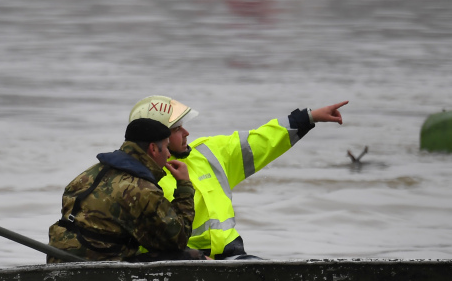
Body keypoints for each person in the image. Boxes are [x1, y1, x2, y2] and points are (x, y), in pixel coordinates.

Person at [128, 95, 348, 259]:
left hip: (230, 258)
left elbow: (262, 141)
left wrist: (310, 117)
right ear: (154, 138)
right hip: (181, 263)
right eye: (177, 129)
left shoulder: (210, 152)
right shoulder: (137, 179)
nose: (186, 133)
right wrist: (190, 258)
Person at [48, 117, 205, 263]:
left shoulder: (87, 175)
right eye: (166, 146)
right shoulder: (142, 189)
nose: (169, 154)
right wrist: (184, 185)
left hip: (58, 258)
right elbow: (178, 240)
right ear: (153, 149)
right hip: (100, 266)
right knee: (193, 257)